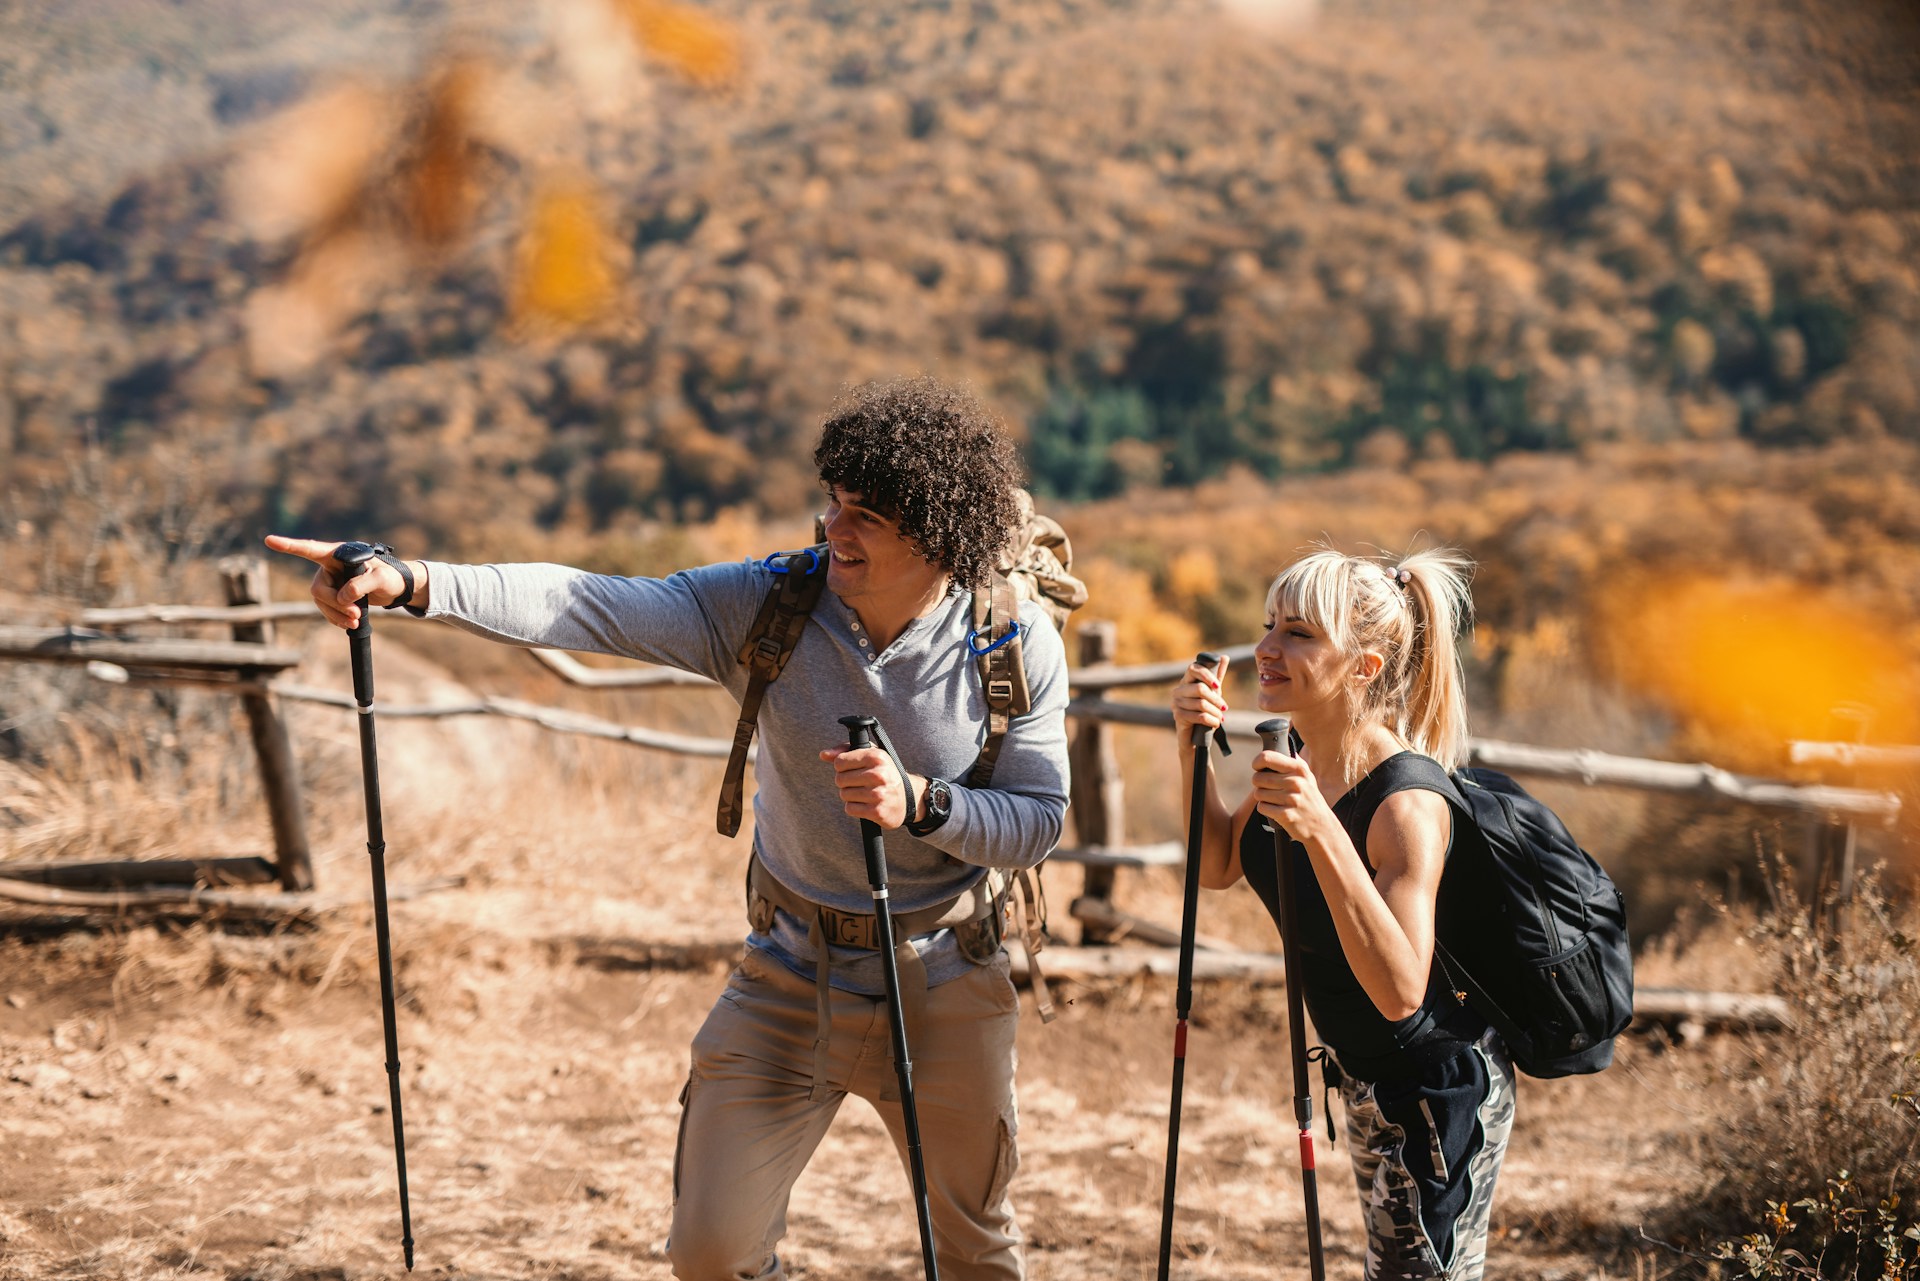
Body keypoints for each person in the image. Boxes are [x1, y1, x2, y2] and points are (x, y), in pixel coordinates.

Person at [268, 376, 1069, 1281]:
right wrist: (411, 582)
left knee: (973, 1254)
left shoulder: (1011, 644)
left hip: (945, 979)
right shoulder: (767, 605)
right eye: (834, 503)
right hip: (790, 971)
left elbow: (1039, 821)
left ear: (935, 536)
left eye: (868, 518)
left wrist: (922, 804)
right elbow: (585, 603)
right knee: (710, 1253)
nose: (833, 530)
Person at [1169, 546, 1514, 1281]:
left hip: (1434, 1087)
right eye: (1269, 626)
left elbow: (1398, 990)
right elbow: (1219, 866)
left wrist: (1321, 828)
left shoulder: (1405, 803)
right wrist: (1193, 749)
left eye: (1298, 632)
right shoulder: (1294, 753)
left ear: (1363, 666)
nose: (1265, 648)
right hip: (1364, 1074)